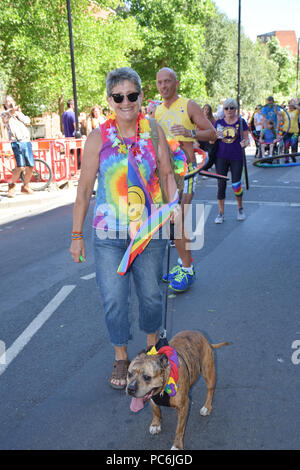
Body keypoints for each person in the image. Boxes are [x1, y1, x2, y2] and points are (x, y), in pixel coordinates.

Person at [70, 67, 178, 390]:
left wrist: (173, 208)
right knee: (114, 300)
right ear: (110, 100)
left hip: (148, 232)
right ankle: (120, 355)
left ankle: (150, 350)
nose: (126, 102)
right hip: (108, 235)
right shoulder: (97, 138)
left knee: (150, 296)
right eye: (119, 97)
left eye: (132, 95)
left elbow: (167, 173)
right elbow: (83, 188)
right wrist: (76, 235)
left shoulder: (154, 131)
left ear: (141, 96)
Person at [155, 67, 216, 292]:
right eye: (160, 82)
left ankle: (187, 269)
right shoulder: (157, 111)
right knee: (171, 219)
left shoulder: (189, 105)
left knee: (178, 217)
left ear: (176, 82)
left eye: (168, 81)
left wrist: (190, 134)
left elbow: (212, 133)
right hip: (166, 171)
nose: (164, 86)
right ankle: (182, 264)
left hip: (187, 170)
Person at [213, 98, 250, 224]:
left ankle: (240, 208)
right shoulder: (218, 123)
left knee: (236, 185)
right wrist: (214, 136)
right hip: (221, 157)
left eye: (231, 108)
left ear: (236, 109)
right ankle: (221, 213)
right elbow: (211, 141)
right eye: (226, 108)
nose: (229, 110)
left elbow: (247, 140)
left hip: (236, 157)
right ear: (223, 110)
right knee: (221, 185)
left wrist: (244, 143)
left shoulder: (241, 122)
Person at [1, 95, 35, 197]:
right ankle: (11, 185)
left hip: (26, 141)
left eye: (11, 100)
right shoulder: (4, 114)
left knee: (30, 165)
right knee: (20, 166)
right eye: (8, 101)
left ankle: (25, 185)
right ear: (5, 104)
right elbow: (7, 117)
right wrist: (12, 110)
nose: (10, 103)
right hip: (16, 141)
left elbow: (27, 121)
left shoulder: (18, 113)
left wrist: (18, 113)